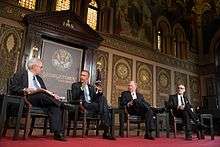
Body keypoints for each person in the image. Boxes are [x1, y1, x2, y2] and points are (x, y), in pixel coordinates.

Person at [9, 58, 72, 141]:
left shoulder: (39, 79)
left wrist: (52, 95)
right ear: (34, 66)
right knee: (41, 95)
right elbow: (13, 87)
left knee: (54, 105)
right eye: (41, 67)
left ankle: (58, 133)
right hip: (27, 98)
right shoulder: (20, 74)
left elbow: (45, 92)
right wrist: (25, 89)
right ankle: (62, 104)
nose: (42, 69)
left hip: (40, 99)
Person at [71, 70, 115, 140]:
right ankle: (106, 131)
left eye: (84, 75)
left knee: (102, 98)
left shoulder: (91, 87)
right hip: (83, 105)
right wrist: (82, 88)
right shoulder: (75, 85)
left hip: (92, 105)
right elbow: (74, 97)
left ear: (88, 77)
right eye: (81, 75)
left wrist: (100, 92)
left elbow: (95, 98)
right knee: (106, 109)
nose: (82, 77)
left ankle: (104, 123)